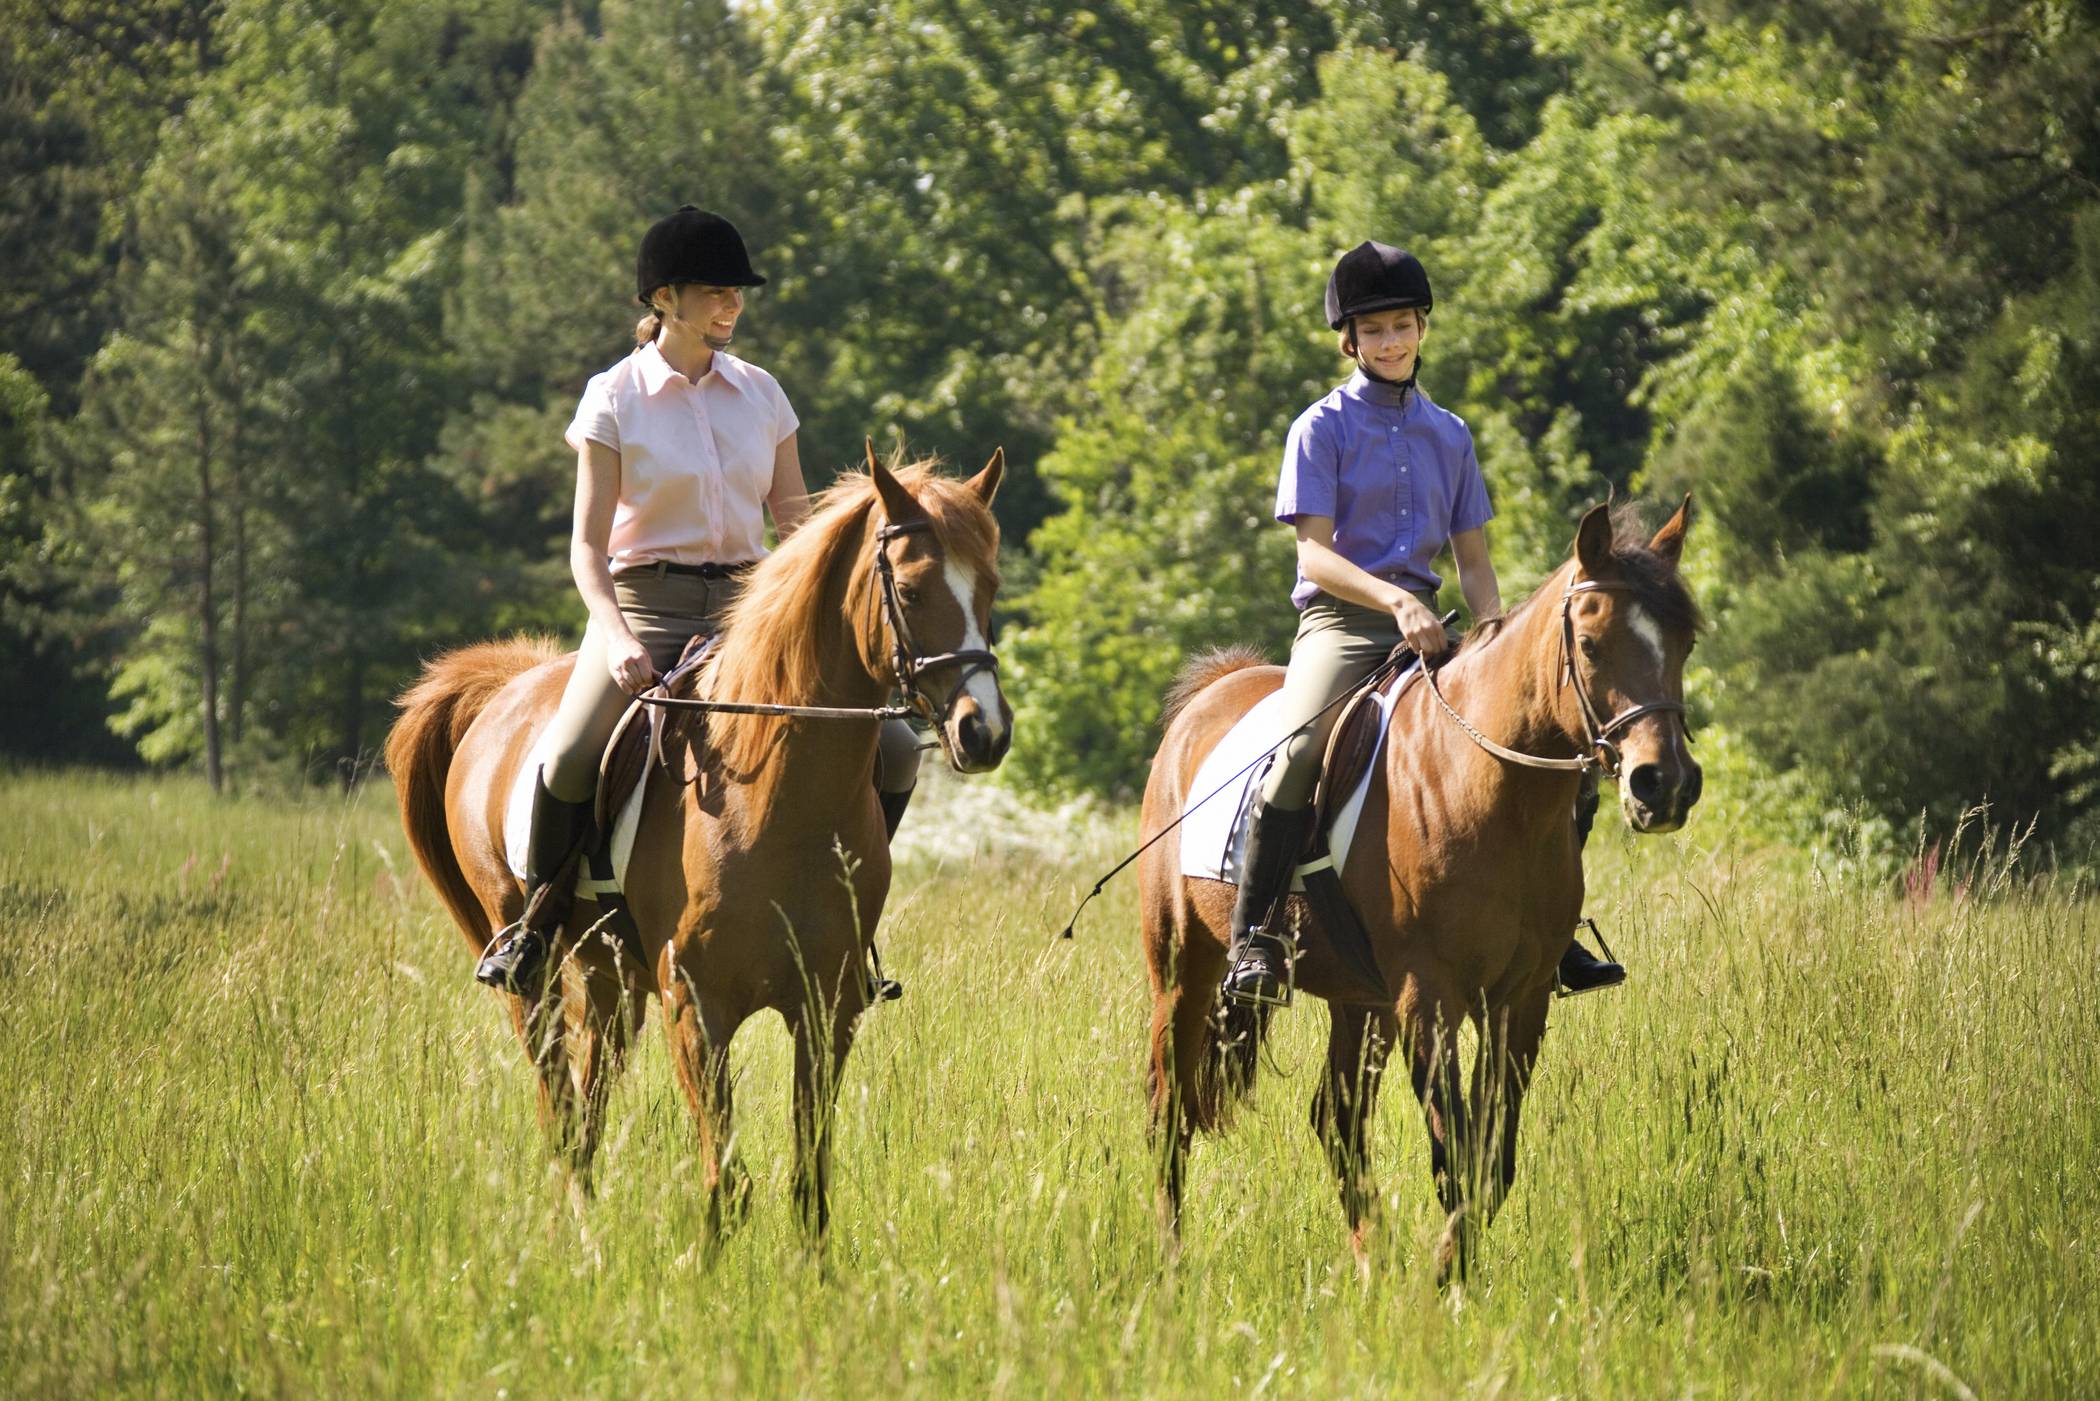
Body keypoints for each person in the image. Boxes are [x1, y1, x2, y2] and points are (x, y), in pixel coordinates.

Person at [475, 206, 923, 992]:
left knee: (895, 747)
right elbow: (586, 546)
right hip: (645, 607)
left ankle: (853, 926)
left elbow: (794, 525)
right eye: (717, 290)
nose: (733, 305)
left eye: (738, 292)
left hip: (751, 614)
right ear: (665, 298)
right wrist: (612, 637)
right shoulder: (614, 398)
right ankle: (535, 926)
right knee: (572, 754)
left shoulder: (763, 395)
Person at [1220, 240, 1624, 1007]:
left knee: (1557, 752)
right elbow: (1316, 553)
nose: (1392, 341)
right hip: (1343, 625)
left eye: (1403, 324)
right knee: (1299, 748)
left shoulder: (1452, 435)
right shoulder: (1320, 428)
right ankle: (1257, 935)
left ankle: (1552, 929)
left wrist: (1497, 632)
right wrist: (1394, 600)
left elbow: (1473, 562)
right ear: (1351, 341)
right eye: (1374, 331)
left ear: (1422, 328)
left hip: (1438, 632)